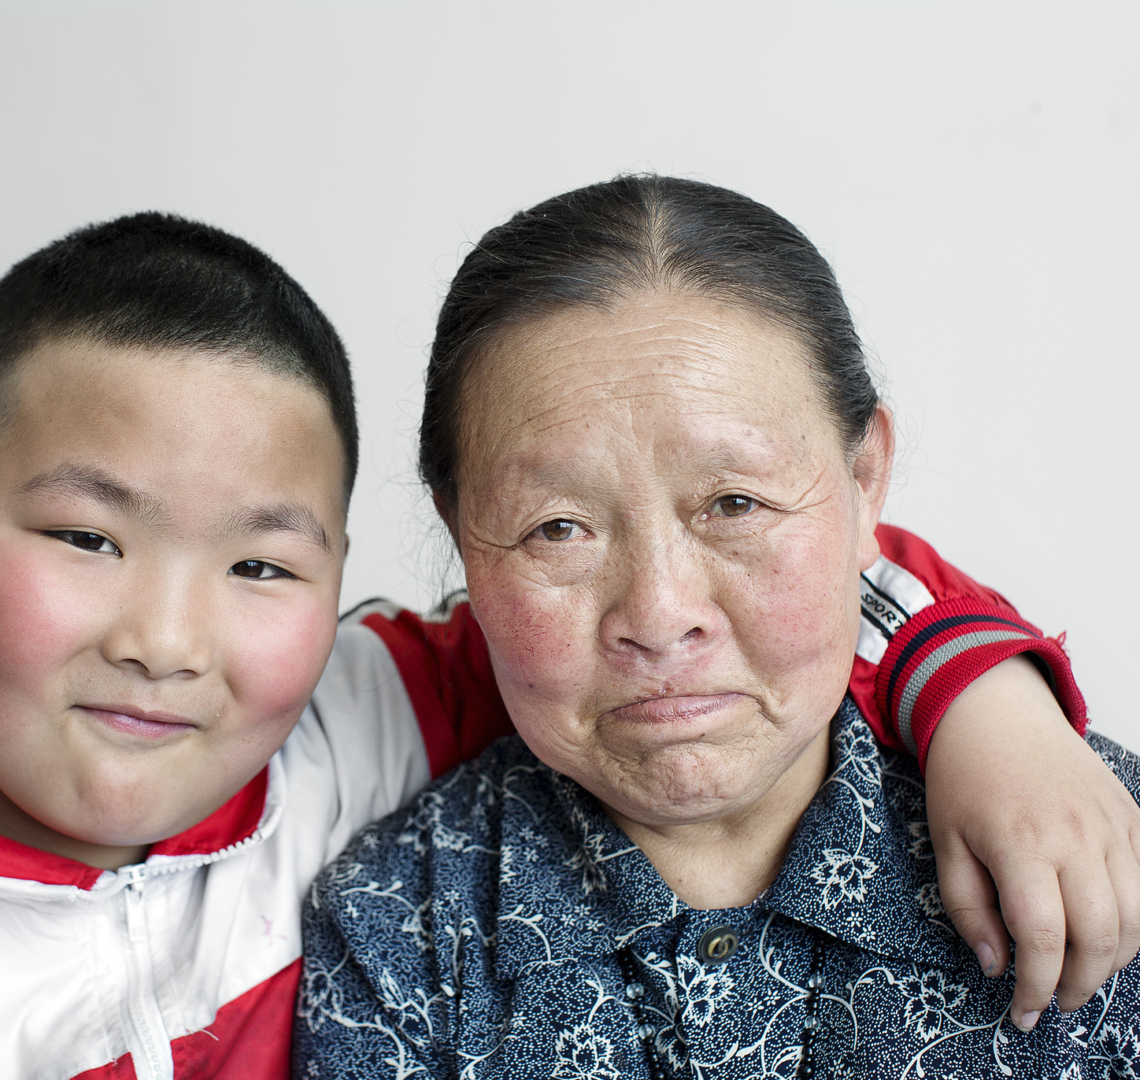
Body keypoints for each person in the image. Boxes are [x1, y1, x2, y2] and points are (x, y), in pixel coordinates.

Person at [0, 211, 1122, 1080]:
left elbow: (756, 606)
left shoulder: (351, 708)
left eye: (261, 564)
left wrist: (985, 698)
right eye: (87, 538)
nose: (169, 640)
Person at [295, 176, 1140, 1078]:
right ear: (460, 530)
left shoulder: (1090, 842)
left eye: (735, 503)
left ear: (863, 485)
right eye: (558, 527)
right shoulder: (395, 929)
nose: (659, 619)